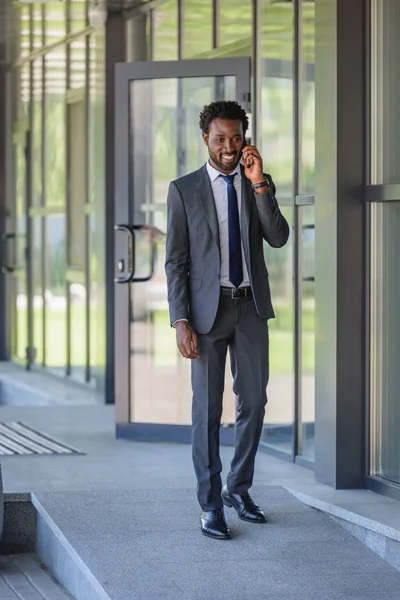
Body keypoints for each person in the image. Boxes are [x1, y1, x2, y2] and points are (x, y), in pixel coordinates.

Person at [165, 100, 289, 540]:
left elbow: (278, 237)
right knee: (207, 412)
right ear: (206, 139)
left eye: (236, 138)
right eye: (220, 139)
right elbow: (176, 261)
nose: (229, 147)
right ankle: (210, 504)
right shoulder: (183, 190)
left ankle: (239, 489)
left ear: (245, 138)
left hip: (251, 308)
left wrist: (259, 186)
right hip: (205, 314)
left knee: (253, 402)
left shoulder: (257, 182)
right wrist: (180, 320)